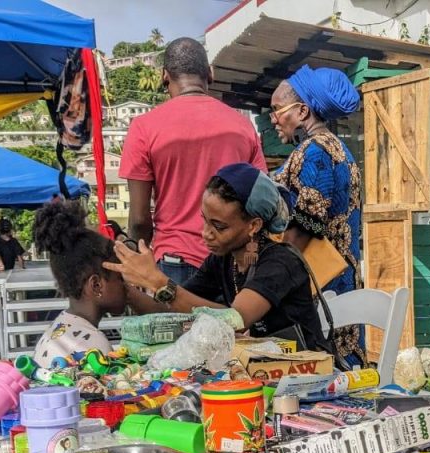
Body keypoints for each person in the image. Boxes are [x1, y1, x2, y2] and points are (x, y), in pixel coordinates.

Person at [104, 163, 328, 354]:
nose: (206, 233)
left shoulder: (280, 262)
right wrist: (123, 287)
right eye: (205, 220)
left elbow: (236, 320)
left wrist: (158, 282)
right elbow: (173, 310)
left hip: (308, 376)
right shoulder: (223, 260)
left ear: (253, 225)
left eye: (218, 226)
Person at [119, 37, 266, 286]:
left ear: (165, 76)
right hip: (233, 262)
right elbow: (261, 201)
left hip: (176, 263)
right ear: (210, 73)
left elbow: (140, 220)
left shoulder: (144, 127)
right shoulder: (243, 126)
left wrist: (135, 257)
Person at [270, 65, 365, 366]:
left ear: (302, 111)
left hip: (319, 288)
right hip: (342, 283)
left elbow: (306, 225)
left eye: (276, 110)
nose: (273, 118)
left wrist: (271, 279)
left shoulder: (314, 152)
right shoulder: (340, 149)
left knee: (322, 371)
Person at [30, 201, 127, 367]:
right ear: (96, 285)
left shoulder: (60, 327)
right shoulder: (94, 350)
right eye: (120, 278)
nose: (127, 286)